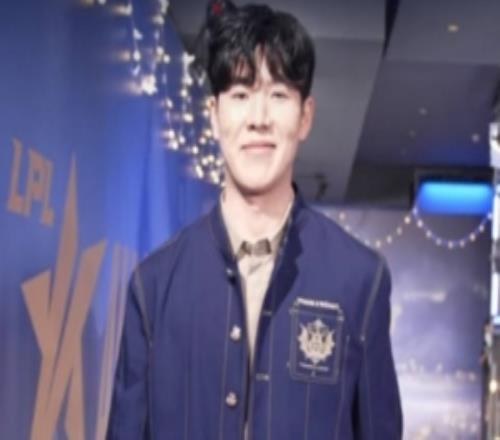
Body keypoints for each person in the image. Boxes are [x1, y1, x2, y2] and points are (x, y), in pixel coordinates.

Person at [106, 1, 403, 438]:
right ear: (214, 115)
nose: (259, 119)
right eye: (241, 95)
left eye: (278, 95)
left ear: (305, 116)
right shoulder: (154, 286)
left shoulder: (360, 280)